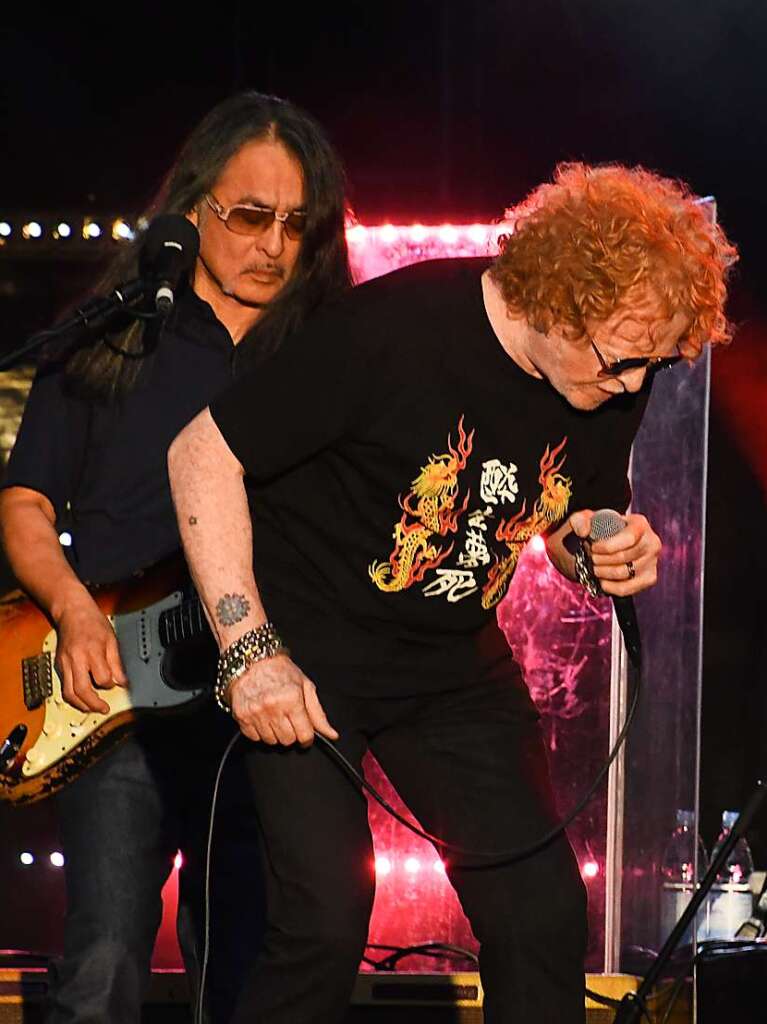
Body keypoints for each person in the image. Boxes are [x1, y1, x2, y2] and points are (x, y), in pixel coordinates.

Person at [167, 162, 737, 1024]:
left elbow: (572, 507)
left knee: (541, 915)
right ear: (557, 299)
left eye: (650, 366)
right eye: (621, 362)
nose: (630, 385)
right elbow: (201, 454)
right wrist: (249, 651)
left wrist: (596, 551)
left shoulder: (615, 362)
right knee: (323, 917)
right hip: (308, 653)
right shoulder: (389, 333)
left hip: (450, 666)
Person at [0, 91, 352, 1023]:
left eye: (294, 224)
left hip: (261, 709)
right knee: (104, 958)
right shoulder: (111, 336)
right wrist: (75, 610)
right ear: (193, 207)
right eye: (249, 216)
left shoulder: (328, 357)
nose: (273, 245)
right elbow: (27, 499)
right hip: (118, 703)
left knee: (238, 966)